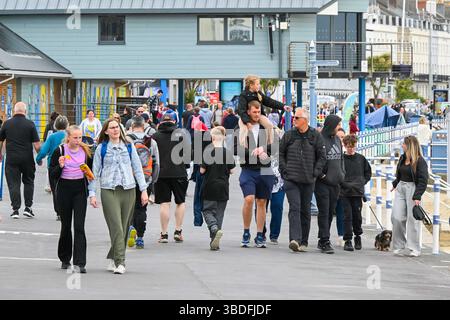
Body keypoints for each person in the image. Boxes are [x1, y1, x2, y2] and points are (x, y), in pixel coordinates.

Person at [88, 118, 149, 275]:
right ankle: (121, 262)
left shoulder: (129, 146)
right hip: (109, 190)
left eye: (117, 127)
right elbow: (94, 173)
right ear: (106, 131)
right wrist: (92, 194)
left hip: (129, 189)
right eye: (112, 128)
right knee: (116, 226)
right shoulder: (101, 148)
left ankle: (112, 256)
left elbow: (137, 168)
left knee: (124, 227)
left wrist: (144, 190)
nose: (115, 130)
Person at [279, 108, 326, 252]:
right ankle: (295, 239)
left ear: (305, 120)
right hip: (291, 179)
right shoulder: (289, 135)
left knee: (305, 210)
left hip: (308, 179)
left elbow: (322, 156)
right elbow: (280, 153)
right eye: (294, 117)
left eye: (297, 118)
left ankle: (303, 241)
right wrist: (284, 170)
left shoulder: (315, 136)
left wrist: (315, 173)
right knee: (295, 207)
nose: (294, 120)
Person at [49, 125, 93, 273]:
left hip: (80, 190)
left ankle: (80, 262)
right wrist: (60, 166)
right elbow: (53, 174)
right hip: (64, 190)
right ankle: (65, 258)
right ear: (68, 137)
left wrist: (88, 173)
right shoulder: (60, 151)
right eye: (75, 137)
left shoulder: (85, 151)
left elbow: (90, 173)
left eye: (80, 137)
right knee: (66, 226)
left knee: (79, 226)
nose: (78, 140)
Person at [234, 100, 275, 248]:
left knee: (262, 202)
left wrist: (263, 150)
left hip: (265, 169)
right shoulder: (240, 127)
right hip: (248, 169)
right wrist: (253, 152)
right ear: (248, 112)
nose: (257, 114)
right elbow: (235, 148)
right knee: (249, 199)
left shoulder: (267, 127)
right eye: (254, 112)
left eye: (259, 112)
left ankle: (259, 234)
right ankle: (246, 232)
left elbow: (275, 146)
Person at [152, 114, 190, 243]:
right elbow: (188, 154)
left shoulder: (155, 136)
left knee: (164, 203)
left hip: (161, 173)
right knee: (180, 202)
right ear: (174, 121)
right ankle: (178, 231)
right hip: (179, 172)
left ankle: (164, 234)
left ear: (161, 122)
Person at [0, 102, 41, 219]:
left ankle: (15, 210)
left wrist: (0, 154)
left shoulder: (7, 124)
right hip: (27, 159)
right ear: (25, 111)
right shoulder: (30, 124)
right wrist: (39, 157)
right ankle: (28, 208)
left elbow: (1, 140)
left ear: (14, 111)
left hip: (12, 159)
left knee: (14, 184)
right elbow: (37, 145)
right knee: (28, 181)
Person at [391, 136, 428, 257]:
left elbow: (423, 180)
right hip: (401, 187)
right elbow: (399, 174)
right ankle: (398, 245)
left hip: (413, 189)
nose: (402, 145)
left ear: (409, 145)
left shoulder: (420, 161)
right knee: (396, 216)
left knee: (413, 220)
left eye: (403, 144)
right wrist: (395, 184)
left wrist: (417, 196)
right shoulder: (402, 158)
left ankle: (414, 247)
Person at [126, 117, 160, 249]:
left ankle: (131, 227)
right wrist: (153, 179)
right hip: (146, 179)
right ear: (144, 125)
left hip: (129, 179)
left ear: (132, 125)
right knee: (142, 208)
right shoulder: (151, 141)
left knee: (129, 207)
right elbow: (156, 163)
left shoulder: (126, 140)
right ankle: (140, 237)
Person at [200, 126, 236, 250]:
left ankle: (213, 227)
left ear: (213, 137)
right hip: (223, 186)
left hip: (210, 185)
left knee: (208, 210)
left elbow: (202, 170)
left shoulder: (207, 151)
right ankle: (214, 241)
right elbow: (232, 171)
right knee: (219, 213)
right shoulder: (227, 152)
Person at [314, 115, 345, 254]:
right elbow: (314, 160)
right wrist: (322, 175)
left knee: (330, 212)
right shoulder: (319, 139)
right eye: (338, 125)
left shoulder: (337, 140)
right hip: (322, 183)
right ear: (331, 125)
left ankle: (322, 239)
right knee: (324, 211)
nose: (339, 128)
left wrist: (342, 174)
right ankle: (325, 240)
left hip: (336, 183)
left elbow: (341, 158)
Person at [237, 75, 290, 147]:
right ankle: (244, 148)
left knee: (269, 125)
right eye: (257, 84)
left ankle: (268, 145)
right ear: (251, 85)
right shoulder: (243, 95)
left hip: (259, 115)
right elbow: (241, 110)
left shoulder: (259, 93)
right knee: (244, 130)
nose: (259, 86)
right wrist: (247, 122)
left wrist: (283, 106)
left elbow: (269, 101)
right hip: (245, 116)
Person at [340, 135, 372, 251]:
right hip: (344, 192)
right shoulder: (341, 159)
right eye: (349, 147)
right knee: (347, 216)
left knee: (357, 216)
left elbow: (368, 173)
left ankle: (357, 236)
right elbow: (339, 174)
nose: (351, 149)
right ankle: (347, 239)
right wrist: (343, 184)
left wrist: (362, 182)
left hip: (357, 192)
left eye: (353, 147)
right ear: (345, 146)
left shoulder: (361, 159)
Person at [36, 115, 69, 220]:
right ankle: (67, 210)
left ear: (55, 125)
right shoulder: (69, 135)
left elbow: (44, 151)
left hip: (53, 166)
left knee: (55, 189)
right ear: (67, 125)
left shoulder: (52, 137)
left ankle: (59, 212)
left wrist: (38, 159)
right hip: (68, 164)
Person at [334, 127, 346, 246]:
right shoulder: (331, 150)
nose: (340, 140)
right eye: (338, 137)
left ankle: (341, 235)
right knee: (327, 212)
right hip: (331, 185)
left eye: (342, 137)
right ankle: (323, 236)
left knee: (341, 212)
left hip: (344, 187)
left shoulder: (348, 152)